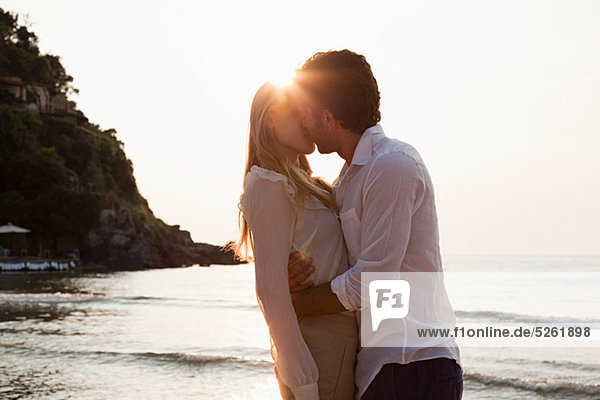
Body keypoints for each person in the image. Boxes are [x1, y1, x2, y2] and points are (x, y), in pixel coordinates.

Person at [286, 50, 463, 400]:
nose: (301, 121)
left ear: (326, 116)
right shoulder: (346, 181)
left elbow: (374, 281)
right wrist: (297, 270)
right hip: (378, 369)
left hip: (414, 365)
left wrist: (296, 302)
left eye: (303, 111)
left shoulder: (393, 164)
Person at [233, 81, 359, 400]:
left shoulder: (311, 185)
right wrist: (304, 384)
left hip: (340, 343)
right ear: (270, 119)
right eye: (295, 111)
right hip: (318, 351)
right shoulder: (268, 184)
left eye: (309, 111)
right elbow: (270, 291)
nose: (307, 120)